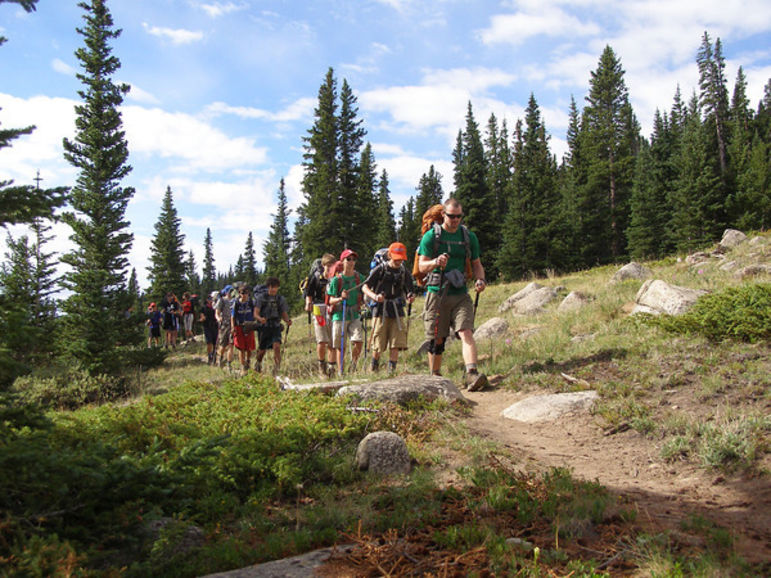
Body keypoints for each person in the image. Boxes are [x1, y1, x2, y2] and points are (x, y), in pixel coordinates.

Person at [417, 198, 488, 391]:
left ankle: (472, 374)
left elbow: (476, 264)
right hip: (436, 293)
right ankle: (435, 377)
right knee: (436, 339)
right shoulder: (431, 237)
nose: (455, 220)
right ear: (443, 215)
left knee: (466, 331)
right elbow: (422, 266)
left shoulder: (468, 237)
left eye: (458, 216)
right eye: (451, 216)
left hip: (460, 292)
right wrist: (435, 262)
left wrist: (480, 280)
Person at [362, 242, 415, 375]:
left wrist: (410, 296)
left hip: (397, 310)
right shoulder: (380, 269)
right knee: (378, 344)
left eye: (401, 258)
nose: (399, 261)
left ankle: (391, 372)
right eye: (396, 258)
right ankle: (373, 369)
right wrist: (375, 296)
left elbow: (410, 289)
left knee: (396, 344)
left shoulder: (404, 272)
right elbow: (365, 286)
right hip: (380, 310)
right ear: (389, 255)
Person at [327, 249, 364, 374]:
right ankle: (340, 372)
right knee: (340, 346)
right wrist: (340, 298)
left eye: (354, 259)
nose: (351, 262)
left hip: (354, 314)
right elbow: (330, 300)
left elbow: (366, 287)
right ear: (342, 261)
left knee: (358, 342)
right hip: (339, 315)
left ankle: (353, 366)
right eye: (348, 259)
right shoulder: (337, 280)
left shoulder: (359, 278)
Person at [303, 253, 338, 377]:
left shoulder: (336, 278)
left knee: (332, 341)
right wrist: (308, 303)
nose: (329, 269)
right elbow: (309, 292)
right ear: (323, 266)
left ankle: (332, 368)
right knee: (322, 340)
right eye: (327, 266)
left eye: (332, 266)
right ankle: (321, 368)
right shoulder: (316, 277)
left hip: (332, 308)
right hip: (318, 308)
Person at [254, 276, 292, 375]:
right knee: (262, 350)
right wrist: (260, 319)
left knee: (277, 346)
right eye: (271, 287)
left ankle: (277, 369)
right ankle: (258, 363)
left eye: (275, 287)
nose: (273, 289)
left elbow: (283, 312)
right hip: (265, 326)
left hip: (276, 325)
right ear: (268, 287)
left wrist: (287, 320)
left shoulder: (280, 299)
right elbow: (256, 313)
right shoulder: (261, 298)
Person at [231, 285, 257, 375]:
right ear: (239, 294)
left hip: (249, 325)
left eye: (246, 293)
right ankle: (242, 366)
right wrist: (232, 327)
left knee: (249, 347)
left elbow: (255, 313)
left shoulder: (251, 302)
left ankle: (248, 362)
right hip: (239, 326)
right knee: (241, 347)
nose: (244, 295)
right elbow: (233, 316)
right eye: (242, 293)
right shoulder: (236, 303)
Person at [215, 285, 234, 371]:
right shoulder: (222, 300)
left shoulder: (235, 301)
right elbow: (217, 312)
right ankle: (220, 358)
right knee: (223, 345)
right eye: (230, 291)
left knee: (231, 345)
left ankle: (229, 363)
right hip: (224, 325)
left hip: (233, 325)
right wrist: (219, 319)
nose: (231, 293)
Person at [200, 291, 219, 364]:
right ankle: (209, 355)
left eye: (211, 299)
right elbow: (202, 315)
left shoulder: (215, 307)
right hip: (207, 326)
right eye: (209, 299)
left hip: (215, 326)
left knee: (215, 343)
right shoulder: (204, 308)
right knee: (209, 342)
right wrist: (202, 318)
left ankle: (214, 355)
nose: (210, 300)